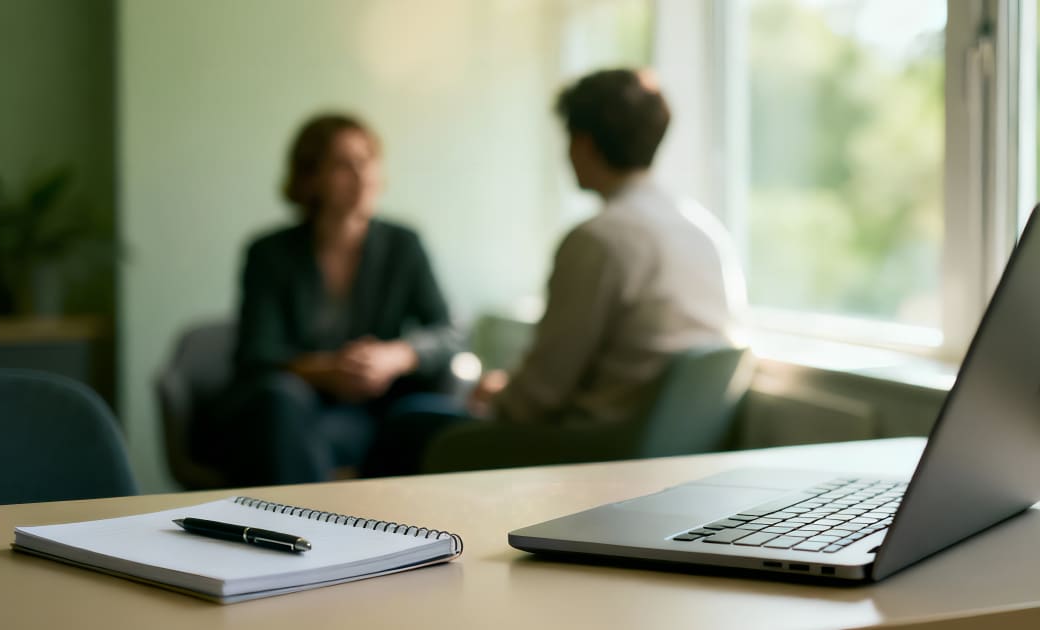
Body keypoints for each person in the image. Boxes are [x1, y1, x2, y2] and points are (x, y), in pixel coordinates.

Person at [363, 68, 745, 475]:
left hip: (592, 453)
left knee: (408, 421)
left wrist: (498, 395)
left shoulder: (600, 239)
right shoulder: (705, 232)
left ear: (584, 143)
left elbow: (538, 397)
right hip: (670, 451)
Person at [197, 113, 463, 486]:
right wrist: (330, 371)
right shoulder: (270, 253)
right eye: (342, 164)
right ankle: (316, 529)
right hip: (292, 406)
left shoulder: (403, 245)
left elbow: (448, 331)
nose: (361, 175)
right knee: (279, 402)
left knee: (418, 421)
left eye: (367, 160)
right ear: (310, 178)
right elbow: (256, 354)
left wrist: (395, 356)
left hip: (368, 410)